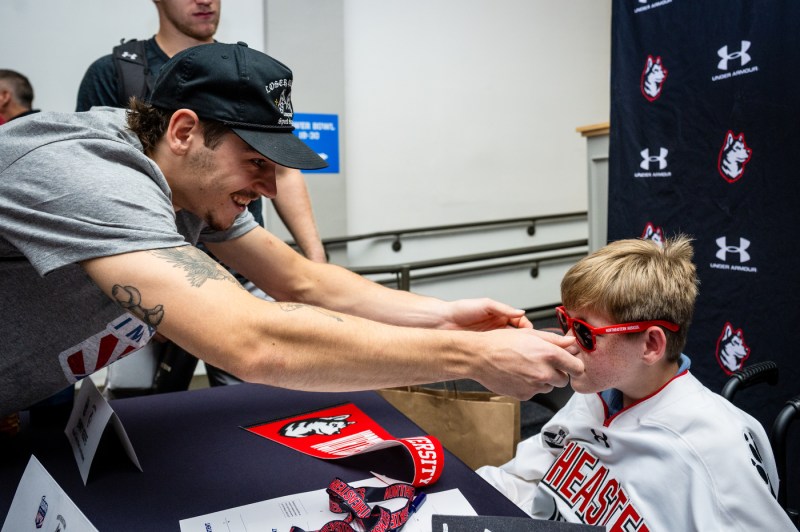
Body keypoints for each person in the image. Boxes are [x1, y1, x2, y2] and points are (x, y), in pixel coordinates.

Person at [0, 42, 583, 418]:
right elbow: (251, 339)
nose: (271, 190)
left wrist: (444, 314)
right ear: (183, 131)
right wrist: (470, 355)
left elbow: (304, 283)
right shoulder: (85, 171)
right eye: (257, 162)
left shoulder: (189, 183)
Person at [76, 0, 325, 393]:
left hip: (236, 260)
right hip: (148, 271)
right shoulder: (115, 73)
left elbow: (284, 166)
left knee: (259, 391)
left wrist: (314, 262)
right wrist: (141, 296)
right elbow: (98, 181)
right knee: (140, 404)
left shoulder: (246, 72)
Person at [477, 236, 794, 530]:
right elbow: (527, 475)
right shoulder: (601, 389)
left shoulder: (714, 450)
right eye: (565, 322)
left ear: (651, 345)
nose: (567, 342)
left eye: (585, 333)